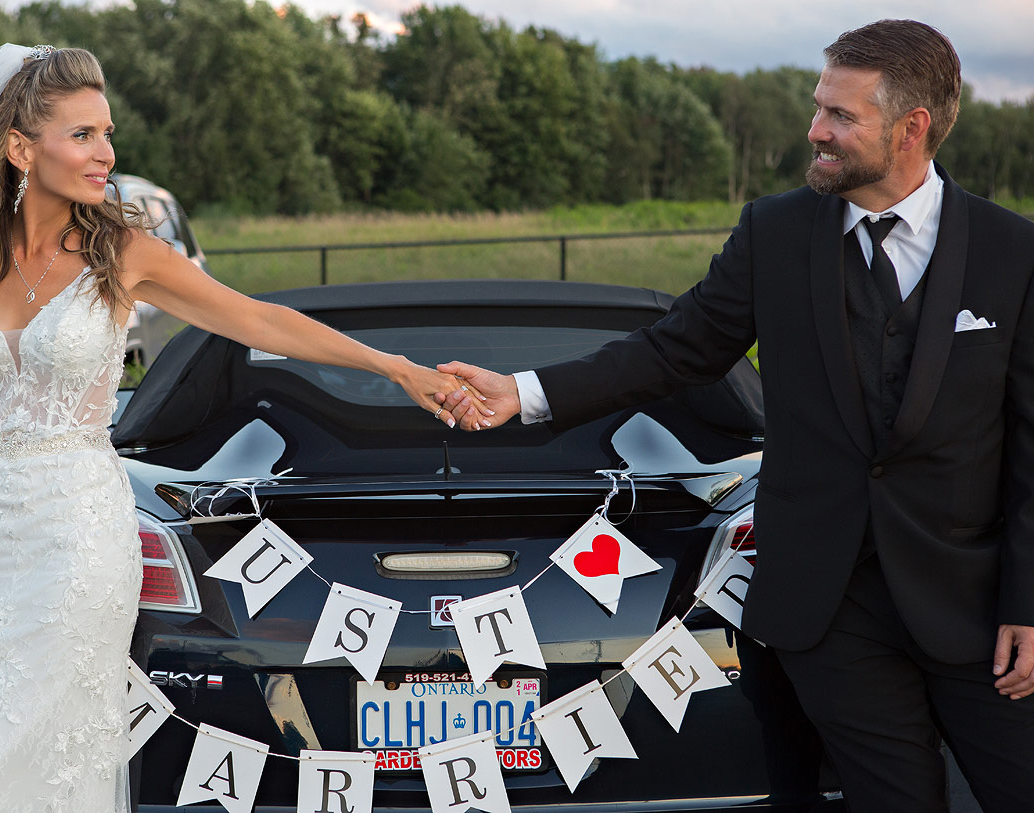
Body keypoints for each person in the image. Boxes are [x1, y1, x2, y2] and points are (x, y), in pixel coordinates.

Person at [0, 43, 487, 811]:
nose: (106, 154)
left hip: (78, 539)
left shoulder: (125, 253)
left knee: (48, 756)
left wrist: (395, 365)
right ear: (19, 149)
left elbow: (259, 320)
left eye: (108, 134)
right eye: (83, 135)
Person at [437, 19, 1034, 812]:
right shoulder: (775, 232)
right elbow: (672, 351)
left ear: (910, 128)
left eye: (840, 116)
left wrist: (1029, 602)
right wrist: (526, 391)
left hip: (980, 609)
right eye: (819, 106)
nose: (814, 129)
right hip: (827, 609)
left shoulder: (1012, 252)